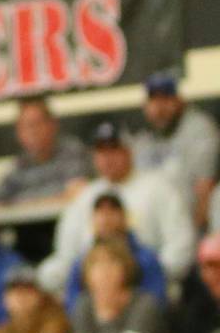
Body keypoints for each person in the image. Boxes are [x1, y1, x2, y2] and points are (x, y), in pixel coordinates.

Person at [41, 122, 196, 291]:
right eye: (101, 151)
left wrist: (147, 274)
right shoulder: (85, 196)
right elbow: (66, 255)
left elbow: (181, 248)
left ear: (129, 151)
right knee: (46, 274)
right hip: (93, 288)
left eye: (114, 149)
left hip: (147, 283)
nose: (108, 158)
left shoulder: (159, 187)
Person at [133, 74, 220, 229]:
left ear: (180, 101)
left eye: (166, 100)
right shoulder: (143, 138)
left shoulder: (199, 129)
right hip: (152, 227)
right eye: (153, 101)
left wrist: (193, 235)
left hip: (189, 225)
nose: (159, 108)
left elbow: (205, 187)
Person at [63, 194, 169, 313]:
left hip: (138, 323)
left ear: (125, 217)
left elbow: (157, 302)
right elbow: (72, 306)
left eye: (112, 212)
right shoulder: (81, 263)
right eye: (100, 213)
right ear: (92, 220)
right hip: (94, 325)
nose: (106, 219)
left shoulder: (146, 259)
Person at [0, 96, 92, 207]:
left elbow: (76, 194)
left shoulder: (72, 151)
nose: (32, 132)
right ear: (18, 133)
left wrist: (17, 203)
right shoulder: (22, 163)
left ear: (53, 125)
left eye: (36, 124)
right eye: (26, 126)